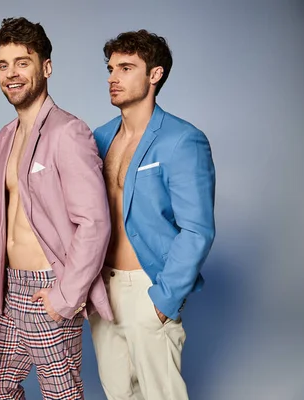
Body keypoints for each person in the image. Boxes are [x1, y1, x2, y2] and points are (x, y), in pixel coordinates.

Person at [0, 17, 112, 400]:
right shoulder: (6, 136)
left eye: (23, 62)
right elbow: (1, 220)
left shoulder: (68, 132)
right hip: (10, 285)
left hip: (49, 286)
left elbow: (95, 223)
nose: (11, 74)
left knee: (62, 395)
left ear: (46, 68)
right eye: (3, 65)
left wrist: (66, 296)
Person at [89, 30, 216, 400]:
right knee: (118, 393)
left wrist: (163, 302)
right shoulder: (99, 137)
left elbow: (197, 230)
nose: (113, 77)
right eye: (111, 68)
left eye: (126, 68)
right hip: (103, 291)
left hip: (148, 288)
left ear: (154, 74)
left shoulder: (182, 139)